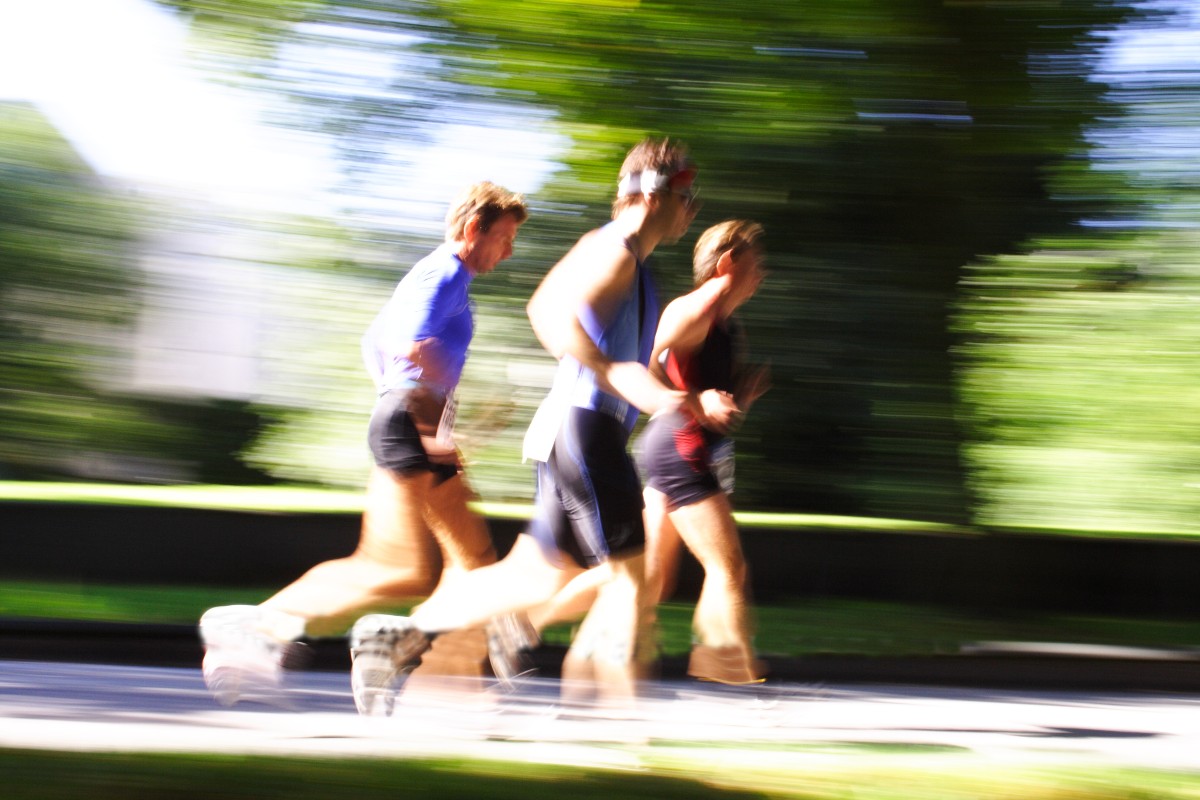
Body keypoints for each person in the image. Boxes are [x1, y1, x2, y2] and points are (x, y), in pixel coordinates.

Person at [348, 137, 707, 714]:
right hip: (587, 428)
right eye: (689, 194)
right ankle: (619, 730)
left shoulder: (629, 259)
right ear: (654, 194)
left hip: (579, 430)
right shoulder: (614, 250)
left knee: (533, 580)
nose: (693, 208)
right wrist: (610, 369)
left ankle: (398, 636)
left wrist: (670, 393)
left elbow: (624, 346)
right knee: (634, 583)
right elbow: (547, 311)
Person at [198, 182, 529, 706]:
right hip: (408, 426)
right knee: (397, 567)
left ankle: (449, 688)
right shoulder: (444, 272)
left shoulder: (442, 276)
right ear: (474, 230)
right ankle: (256, 625)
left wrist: (433, 419)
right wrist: (418, 387)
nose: (510, 250)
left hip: (420, 428)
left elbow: (373, 340)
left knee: (475, 560)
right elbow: (400, 343)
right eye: (506, 238)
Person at [639, 219, 770, 684]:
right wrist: (698, 402)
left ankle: (527, 620)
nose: (763, 274)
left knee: (650, 578)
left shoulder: (727, 324)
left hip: (679, 450)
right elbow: (645, 370)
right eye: (757, 263)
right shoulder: (693, 309)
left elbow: (705, 390)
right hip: (679, 447)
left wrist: (739, 398)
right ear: (728, 261)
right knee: (728, 565)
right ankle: (729, 668)